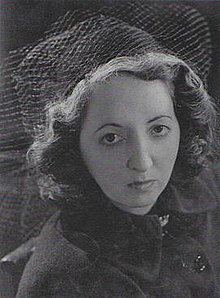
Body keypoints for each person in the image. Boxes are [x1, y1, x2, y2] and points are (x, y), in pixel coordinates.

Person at [2, 2, 220, 297]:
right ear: (73, 146)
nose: (142, 163)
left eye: (158, 129)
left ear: (182, 126)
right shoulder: (66, 278)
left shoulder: (208, 189)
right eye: (111, 138)